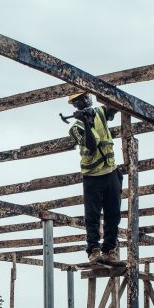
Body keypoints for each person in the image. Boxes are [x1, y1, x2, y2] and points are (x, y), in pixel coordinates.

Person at [65, 92, 121, 264]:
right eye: (79, 100)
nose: (85, 100)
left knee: (113, 214)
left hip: (111, 172)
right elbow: (91, 144)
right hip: (92, 177)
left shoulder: (100, 113)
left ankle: (110, 250)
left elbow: (115, 107)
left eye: (86, 97)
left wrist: (102, 93)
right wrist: (85, 123)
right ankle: (93, 250)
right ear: (75, 106)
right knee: (93, 216)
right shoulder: (75, 128)